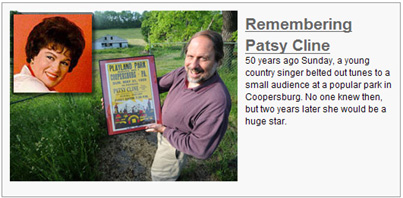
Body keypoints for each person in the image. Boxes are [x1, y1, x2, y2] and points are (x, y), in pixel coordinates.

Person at [145, 30, 231, 181]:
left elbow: (200, 149)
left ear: (218, 61)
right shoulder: (182, 73)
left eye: (203, 58)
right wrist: (116, 97)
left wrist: (165, 130)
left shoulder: (217, 101)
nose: (193, 65)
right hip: (164, 132)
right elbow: (155, 86)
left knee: (160, 177)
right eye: (190, 56)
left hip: (174, 146)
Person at [14, 16, 85, 93]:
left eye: (64, 63)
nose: (56, 69)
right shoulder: (30, 86)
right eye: (50, 57)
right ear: (34, 53)